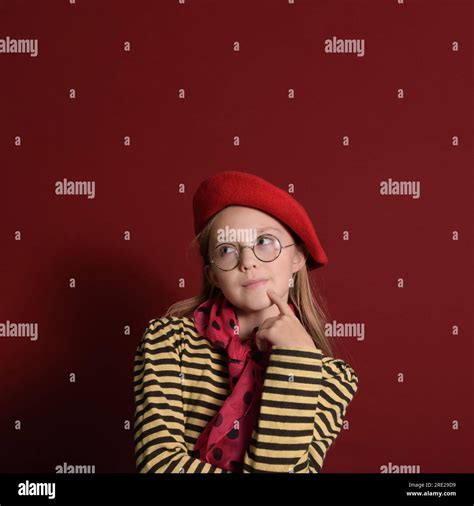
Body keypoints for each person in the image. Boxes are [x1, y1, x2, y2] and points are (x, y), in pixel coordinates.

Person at [133, 170, 358, 473]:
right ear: (212, 274)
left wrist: (296, 359)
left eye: (265, 241)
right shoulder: (168, 342)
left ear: (297, 257)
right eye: (227, 249)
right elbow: (158, 465)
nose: (248, 261)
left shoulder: (331, 378)